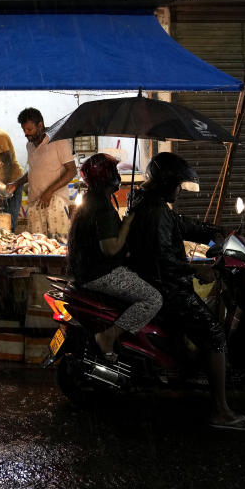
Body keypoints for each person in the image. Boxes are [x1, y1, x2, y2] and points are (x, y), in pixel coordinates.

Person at [125, 152, 245, 432]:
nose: (179, 190)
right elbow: (164, 260)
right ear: (166, 184)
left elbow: (180, 225)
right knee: (214, 333)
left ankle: (189, 369)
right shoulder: (156, 210)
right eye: (177, 185)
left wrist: (215, 231)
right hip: (168, 288)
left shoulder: (150, 203)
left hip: (159, 282)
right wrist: (197, 270)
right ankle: (220, 410)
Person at [68, 153, 163, 361]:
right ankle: (108, 336)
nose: (117, 175)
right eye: (114, 171)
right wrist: (128, 221)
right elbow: (110, 249)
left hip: (86, 270)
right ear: (106, 176)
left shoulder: (93, 200)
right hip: (100, 273)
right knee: (152, 298)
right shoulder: (101, 207)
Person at [8, 108, 77, 241]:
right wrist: (16, 183)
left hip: (55, 203)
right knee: (38, 247)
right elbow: (34, 171)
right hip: (35, 204)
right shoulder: (30, 146)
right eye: (24, 130)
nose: (26, 134)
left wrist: (49, 191)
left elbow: (72, 171)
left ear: (40, 125)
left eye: (29, 129)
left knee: (60, 245)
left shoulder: (58, 141)